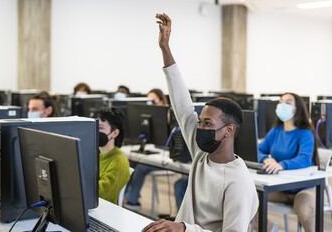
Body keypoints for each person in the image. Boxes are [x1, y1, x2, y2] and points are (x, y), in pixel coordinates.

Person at [142, 13, 258, 232]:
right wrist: (165, 48)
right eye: (200, 122)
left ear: (228, 130)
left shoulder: (238, 181)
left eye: (207, 123)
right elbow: (182, 104)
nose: (199, 128)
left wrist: (184, 228)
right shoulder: (202, 154)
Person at [257, 92, 318, 232]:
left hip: (304, 188)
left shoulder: (305, 133)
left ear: (297, 109)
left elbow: (304, 159)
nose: (282, 105)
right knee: (248, 197)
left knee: (304, 210)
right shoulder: (276, 131)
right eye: (280, 102)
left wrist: (281, 165)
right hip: (280, 187)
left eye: (288, 103)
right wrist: (266, 158)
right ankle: (269, 227)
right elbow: (258, 150)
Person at [124, 88, 169, 211]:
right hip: (152, 152)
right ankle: (125, 197)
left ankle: (131, 201)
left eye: (153, 100)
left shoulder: (169, 116)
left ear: (161, 101)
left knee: (141, 167)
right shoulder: (148, 116)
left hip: (165, 157)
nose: (151, 104)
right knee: (129, 163)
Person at [97, 107, 130, 205]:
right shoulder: (93, 155)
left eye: (100, 128)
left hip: (103, 212)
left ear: (115, 133)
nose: (95, 131)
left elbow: (100, 194)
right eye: (94, 127)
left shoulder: (118, 162)